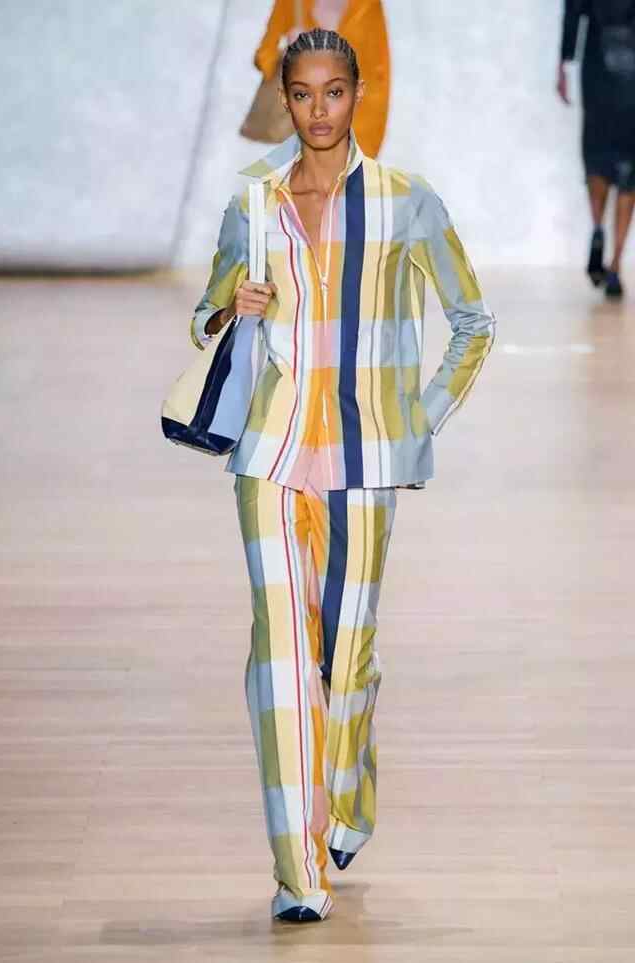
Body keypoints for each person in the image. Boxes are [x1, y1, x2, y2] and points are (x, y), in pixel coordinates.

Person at [190, 28, 496, 923]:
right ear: (284, 99)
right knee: (282, 655)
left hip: (366, 463)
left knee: (347, 658)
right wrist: (228, 306)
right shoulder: (252, 203)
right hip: (270, 456)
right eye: (301, 93)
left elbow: (473, 322)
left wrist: (418, 421)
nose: (317, 110)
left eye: (333, 92)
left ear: (357, 93)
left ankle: (351, 796)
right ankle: (299, 874)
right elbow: (204, 315)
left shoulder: (407, 201)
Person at [558, 0, 635, 298]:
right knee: (629, 163)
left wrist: (564, 61)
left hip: (596, 57)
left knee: (596, 149)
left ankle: (597, 227)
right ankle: (615, 266)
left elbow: (573, 10)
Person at [252, 0, 390, 157]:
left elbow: (378, 71)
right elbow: (265, 56)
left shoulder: (367, 5)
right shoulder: (293, 3)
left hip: (350, 127)